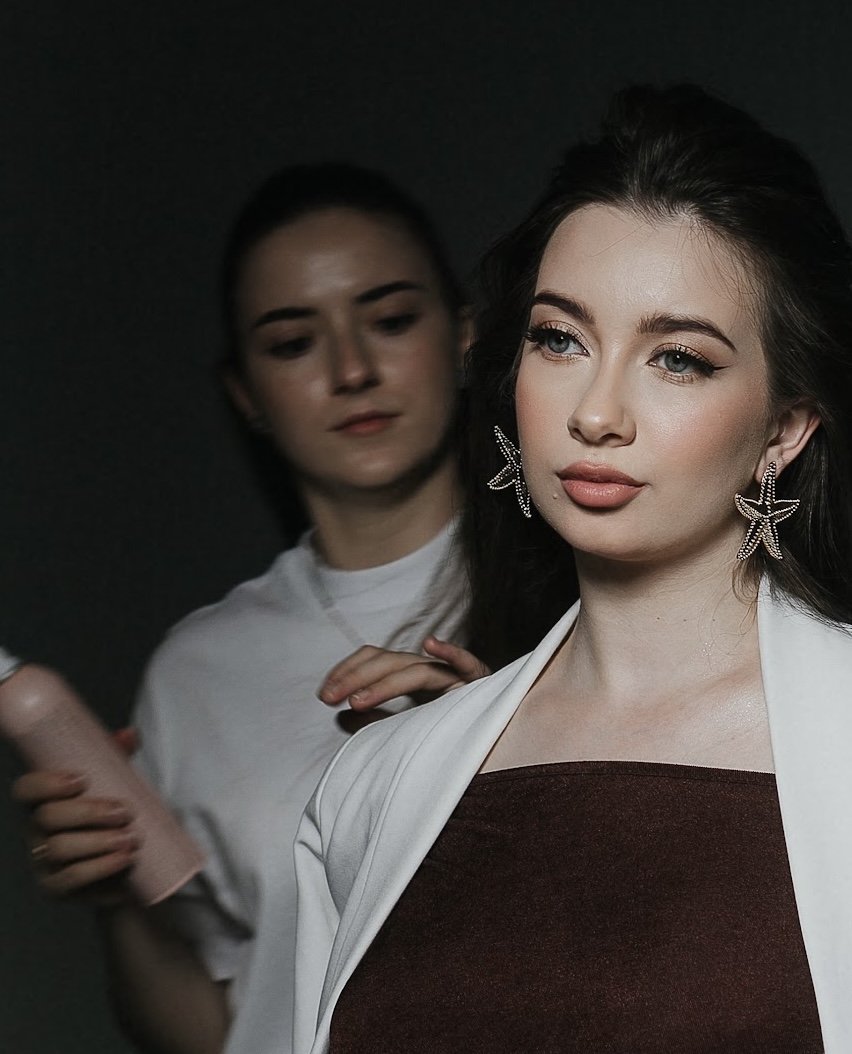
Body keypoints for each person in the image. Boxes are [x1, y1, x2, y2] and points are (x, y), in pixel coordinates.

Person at [293, 87, 852, 1054]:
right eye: (560, 339)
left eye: (677, 358)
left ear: (785, 429)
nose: (597, 413)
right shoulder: (375, 787)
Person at [14, 164, 490, 1054]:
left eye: (389, 320)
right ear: (247, 397)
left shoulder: (585, 591)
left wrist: (503, 744)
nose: (352, 370)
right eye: (292, 344)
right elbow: (216, 1030)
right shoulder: (200, 672)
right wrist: (122, 904)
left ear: (464, 334)